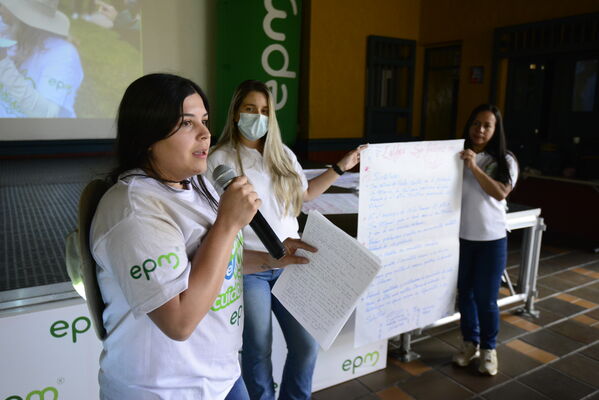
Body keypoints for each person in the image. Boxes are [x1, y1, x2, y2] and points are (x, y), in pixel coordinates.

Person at [90, 73, 314, 399]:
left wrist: (271, 257)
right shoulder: (134, 211)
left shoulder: (196, 185)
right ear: (148, 133)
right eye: (187, 123)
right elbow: (179, 321)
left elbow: (217, 262)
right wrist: (227, 223)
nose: (206, 133)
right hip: (167, 389)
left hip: (219, 376)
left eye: (205, 121)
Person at [207, 79, 365, 400]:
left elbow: (304, 195)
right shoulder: (219, 159)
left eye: (264, 110)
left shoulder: (282, 156)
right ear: (236, 113)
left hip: (290, 262)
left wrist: (340, 167)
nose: (257, 116)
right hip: (249, 267)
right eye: (250, 109)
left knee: (306, 344)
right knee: (258, 348)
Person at [453, 104, 519, 376]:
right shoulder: (456, 155)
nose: (480, 130)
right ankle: (470, 344)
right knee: (465, 296)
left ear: (495, 130)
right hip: (460, 240)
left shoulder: (505, 160)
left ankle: (489, 350)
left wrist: (473, 167)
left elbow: (500, 192)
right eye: (475, 123)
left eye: (487, 125)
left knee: (486, 299)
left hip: (491, 240)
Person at [0, 0, 83, 118]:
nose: (0, 8)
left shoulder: (62, 54)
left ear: (22, 15)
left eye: (5, 4)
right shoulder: (7, 27)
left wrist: (3, 63)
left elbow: (47, 114)